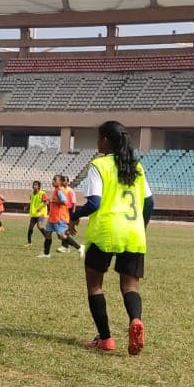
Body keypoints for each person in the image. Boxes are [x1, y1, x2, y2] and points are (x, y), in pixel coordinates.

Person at [71, 120, 154, 355]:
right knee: (130, 285)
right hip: (134, 230)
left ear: (106, 140)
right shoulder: (136, 167)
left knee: (95, 285)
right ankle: (135, 320)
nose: (97, 143)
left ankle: (106, 338)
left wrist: (74, 215)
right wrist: (141, 226)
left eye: (99, 138)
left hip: (106, 230)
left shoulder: (100, 165)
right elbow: (149, 203)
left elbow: (94, 202)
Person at [37, 175, 82, 258]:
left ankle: (79, 248)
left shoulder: (59, 191)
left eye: (55, 180)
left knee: (62, 235)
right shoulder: (56, 190)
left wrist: (53, 201)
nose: (53, 181)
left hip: (58, 217)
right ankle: (46, 254)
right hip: (52, 217)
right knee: (47, 234)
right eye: (53, 179)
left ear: (60, 182)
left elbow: (63, 201)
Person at [25, 180, 46, 246]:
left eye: (36, 185)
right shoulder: (31, 194)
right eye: (34, 185)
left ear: (39, 186)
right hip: (34, 213)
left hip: (41, 213)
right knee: (30, 227)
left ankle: (47, 238)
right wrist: (27, 207)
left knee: (39, 226)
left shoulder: (42, 193)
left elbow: (45, 202)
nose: (35, 186)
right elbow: (31, 202)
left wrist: (40, 208)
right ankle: (29, 243)